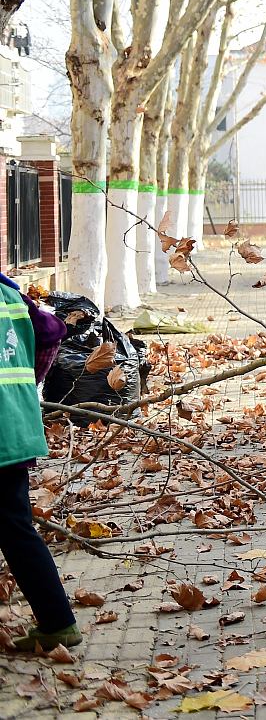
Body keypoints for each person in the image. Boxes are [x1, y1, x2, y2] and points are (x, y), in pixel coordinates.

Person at [0, 273, 81, 652]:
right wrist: (32, 381)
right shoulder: (10, 294)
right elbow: (52, 330)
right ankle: (57, 623)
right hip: (15, 429)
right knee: (16, 529)